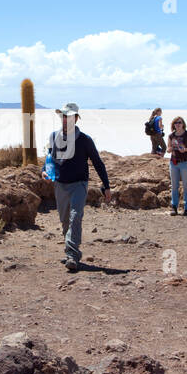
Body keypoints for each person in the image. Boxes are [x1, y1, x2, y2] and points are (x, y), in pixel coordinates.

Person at [45, 103, 113, 272]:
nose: (65, 119)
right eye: (63, 116)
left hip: (79, 184)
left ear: (75, 118)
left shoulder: (84, 140)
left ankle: (72, 256)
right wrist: (44, 171)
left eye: (69, 116)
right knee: (65, 220)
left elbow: (98, 162)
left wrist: (106, 186)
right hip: (60, 184)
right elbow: (49, 158)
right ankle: (70, 250)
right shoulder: (54, 136)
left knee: (76, 217)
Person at [166, 116, 187, 216]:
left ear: (183, 124)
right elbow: (168, 148)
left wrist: (185, 149)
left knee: (186, 186)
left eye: (179, 122)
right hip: (174, 162)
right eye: (176, 123)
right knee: (174, 186)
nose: (178, 124)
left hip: (185, 163)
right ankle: (174, 206)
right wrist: (170, 149)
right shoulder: (171, 136)